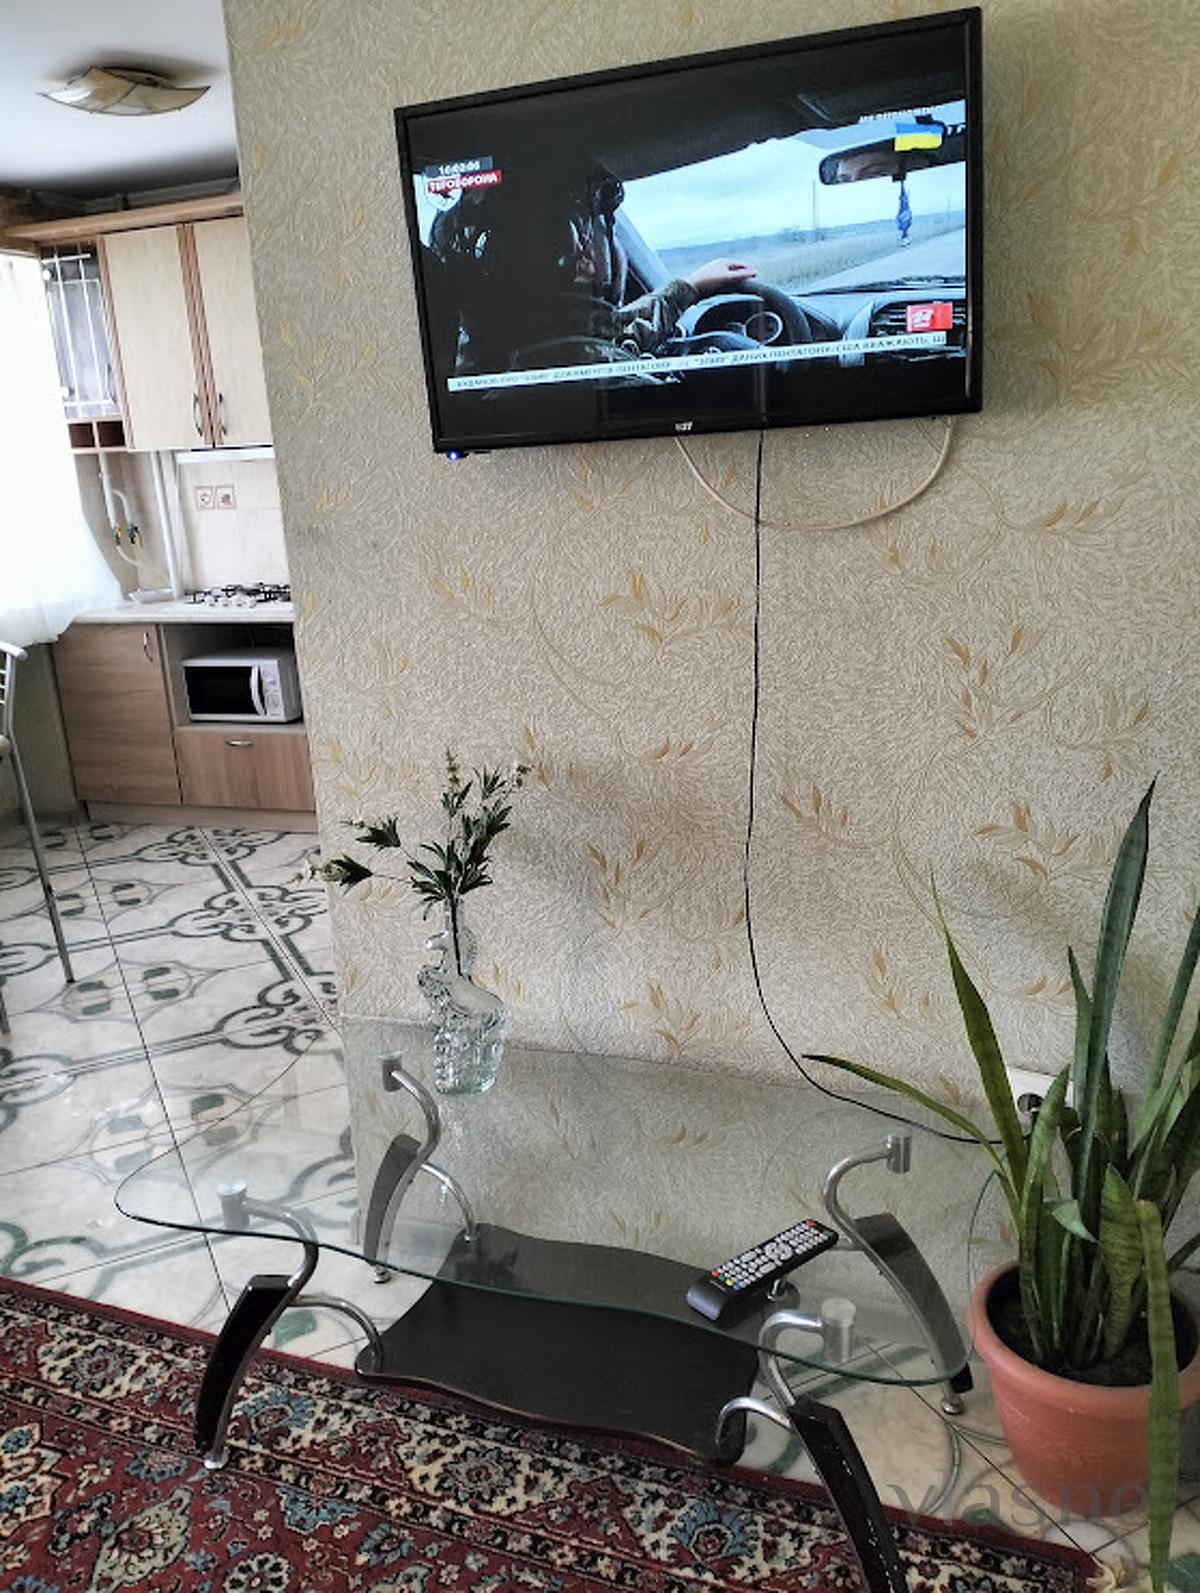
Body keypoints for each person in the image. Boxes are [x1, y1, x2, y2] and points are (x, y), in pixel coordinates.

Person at [426, 163, 761, 379]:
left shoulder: (493, 352)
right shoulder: (616, 382)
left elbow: (607, 332)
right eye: (604, 231)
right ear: (582, 252)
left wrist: (691, 286)